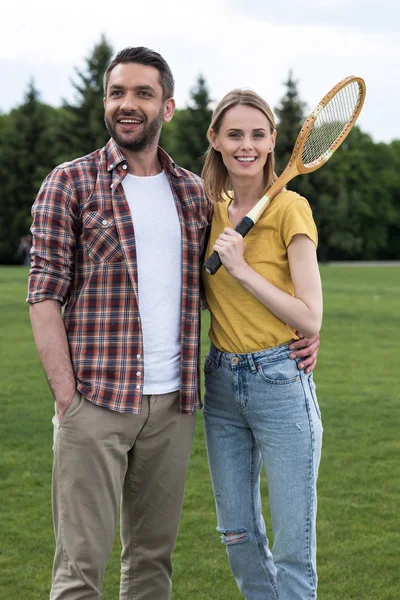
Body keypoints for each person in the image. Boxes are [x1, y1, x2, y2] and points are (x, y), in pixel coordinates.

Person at [27, 46, 319, 599]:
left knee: (152, 565)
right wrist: (67, 396)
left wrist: (304, 331)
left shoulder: (192, 195)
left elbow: (225, 292)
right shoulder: (70, 183)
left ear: (168, 107)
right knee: (79, 570)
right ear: (106, 102)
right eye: (117, 93)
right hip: (95, 400)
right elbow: (43, 294)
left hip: (175, 407)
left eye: (143, 93)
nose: (127, 104)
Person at [201, 88, 323, 599]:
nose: (246, 145)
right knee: (237, 535)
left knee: (294, 547)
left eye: (257, 134)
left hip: (279, 381)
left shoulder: (291, 207)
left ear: (274, 140)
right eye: (234, 134)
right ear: (215, 139)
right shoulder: (208, 208)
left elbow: (310, 316)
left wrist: (243, 269)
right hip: (222, 386)